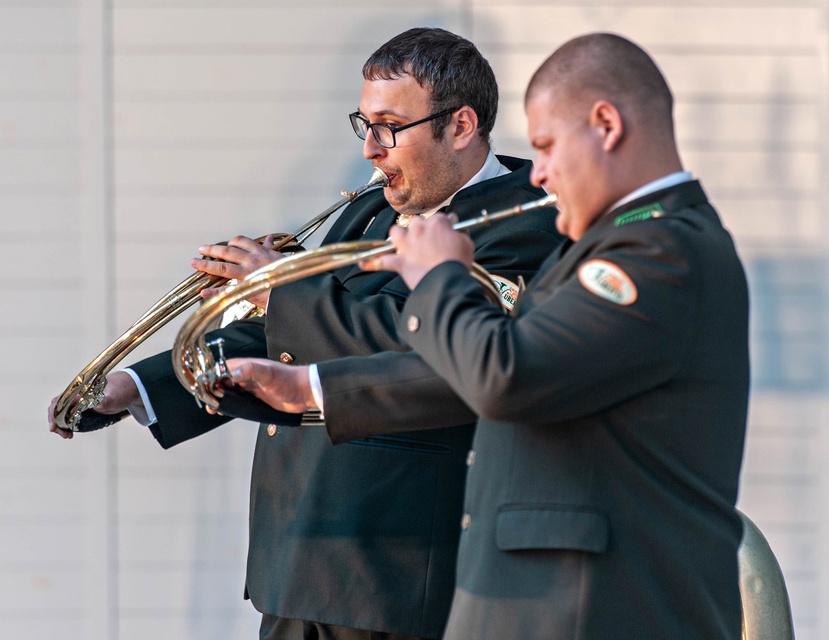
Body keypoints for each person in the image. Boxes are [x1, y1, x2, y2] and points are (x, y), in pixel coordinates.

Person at [222, 33, 750, 640]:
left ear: (605, 124)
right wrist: (311, 390)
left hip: (594, 600)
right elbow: (482, 374)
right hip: (539, 597)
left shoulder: (660, 253)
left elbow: (508, 375)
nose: (541, 170)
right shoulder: (626, 244)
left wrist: (441, 276)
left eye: (548, 146)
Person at [49, 27, 564, 640]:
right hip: (297, 551)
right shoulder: (372, 206)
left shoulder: (526, 222)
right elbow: (291, 335)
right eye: (363, 124)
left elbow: (420, 342)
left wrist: (277, 289)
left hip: (395, 570)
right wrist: (138, 384)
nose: (371, 149)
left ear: (459, 126)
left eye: (390, 126)